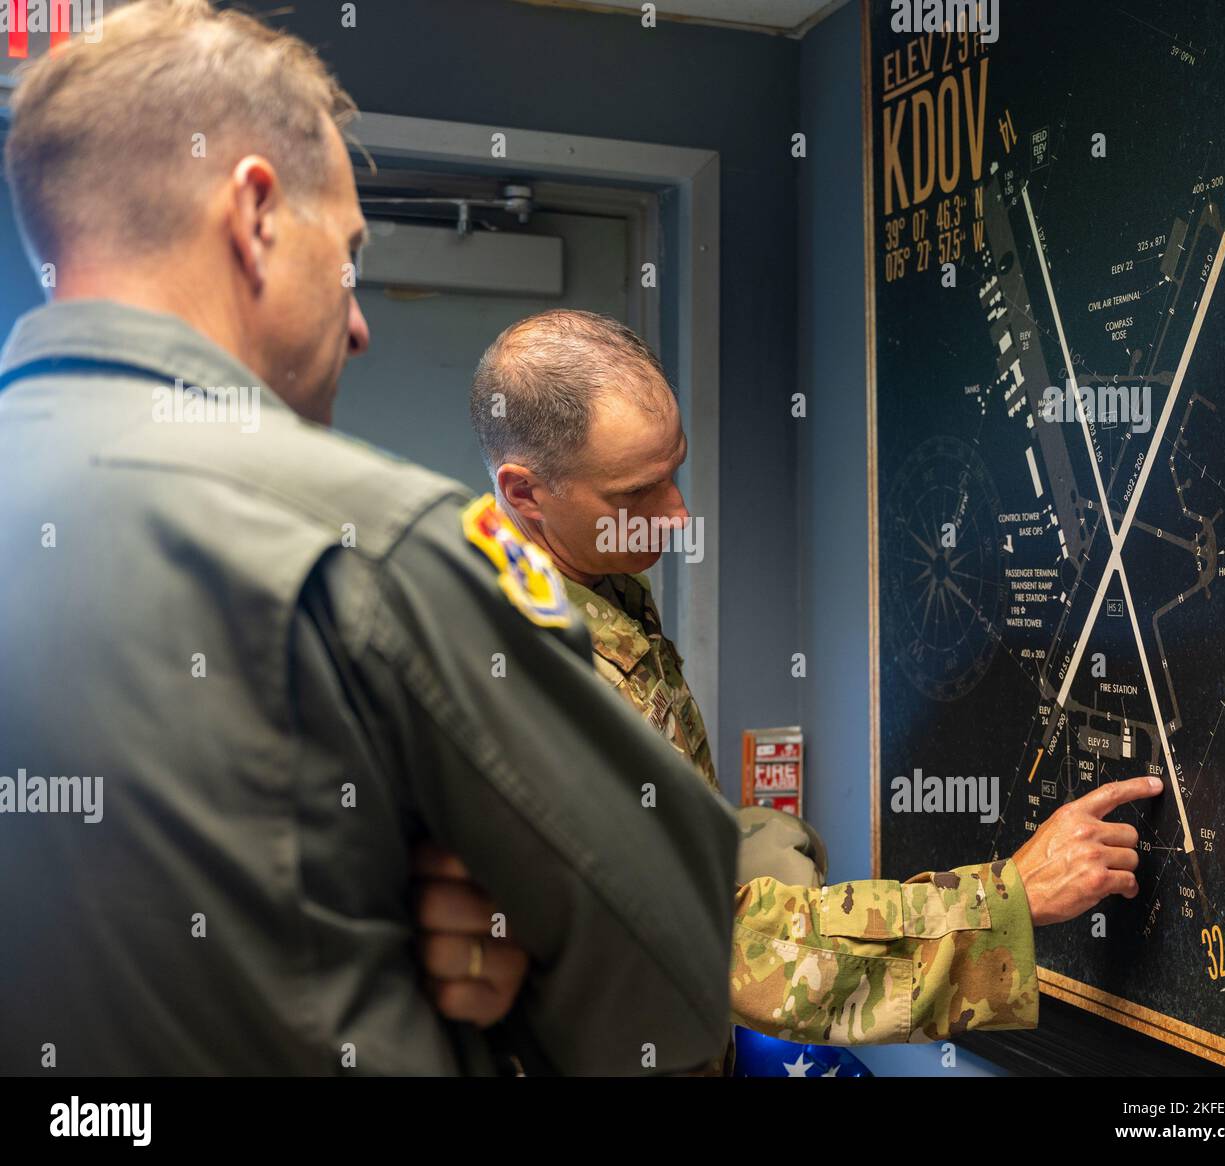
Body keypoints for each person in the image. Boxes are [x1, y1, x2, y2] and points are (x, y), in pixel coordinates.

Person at [0, 1, 738, 1076]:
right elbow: (671, 975)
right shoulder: (374, 544)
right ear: (254, 212)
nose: (358, 321)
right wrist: (452, 948)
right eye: (346, 253)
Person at [451, 308, 1164, 1047]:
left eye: (675, 473)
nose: (676, 516)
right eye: (635, 494)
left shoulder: (577, 576)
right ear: (527, 493)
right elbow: (714, 942)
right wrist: (1008, 900)